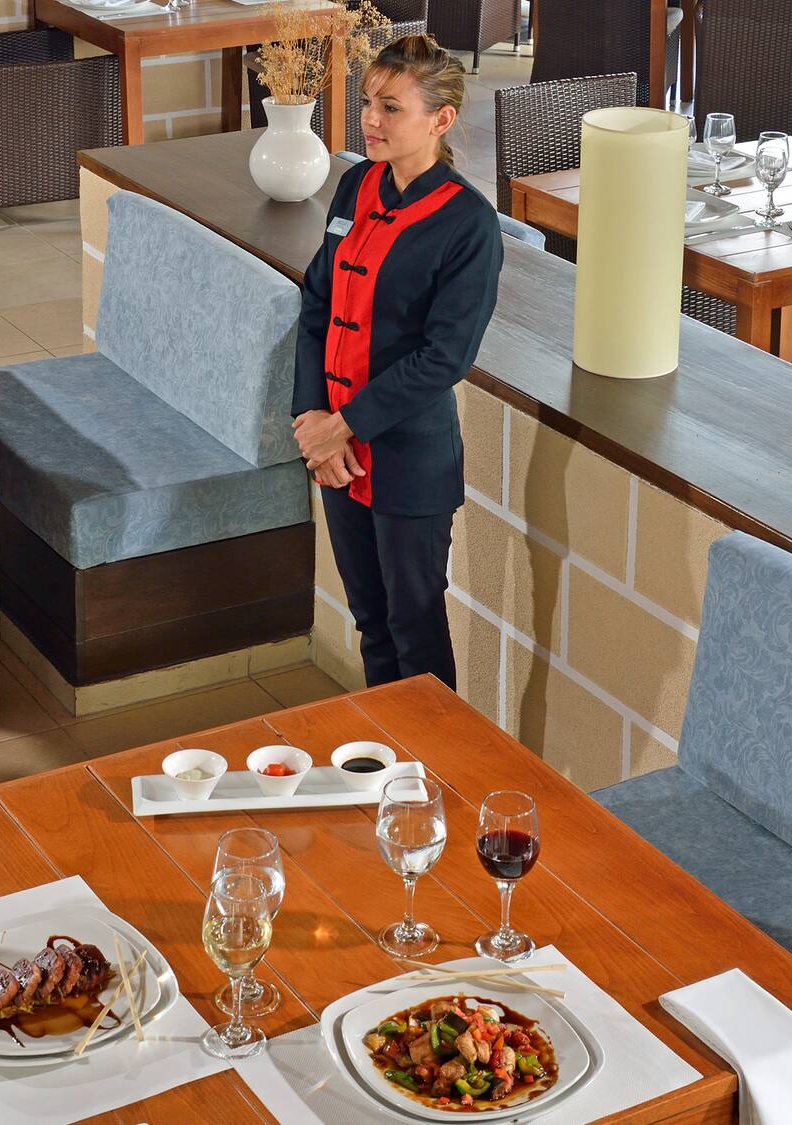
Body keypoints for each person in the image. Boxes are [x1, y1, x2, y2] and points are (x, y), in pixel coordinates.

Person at [291, 35, 502, 690]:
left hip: (408, 455)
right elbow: (316, 301)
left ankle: (435, 776)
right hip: (336, 444)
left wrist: (342, 424)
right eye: (367, 104)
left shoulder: (469, 224)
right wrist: (310, 416)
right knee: (369, 619)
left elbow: (445, 358)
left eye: (390, 107)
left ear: (441, 121)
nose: (371, 121)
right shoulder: (356, 183)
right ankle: (388, 768)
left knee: (414, 623)